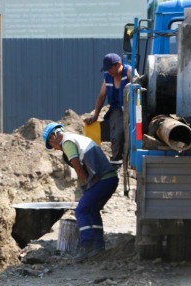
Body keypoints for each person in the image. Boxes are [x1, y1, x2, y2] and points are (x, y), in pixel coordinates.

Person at [43, 122, 119, 262]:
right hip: (109, 179)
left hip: (102, 180)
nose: (54, 149)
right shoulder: (74, 138)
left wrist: (85, 187)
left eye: (51, 144)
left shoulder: (67, 142)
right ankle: (98, 246)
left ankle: (86, 246)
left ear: (53, 136)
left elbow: (78, 168)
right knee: (92, 210)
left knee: (81, 211)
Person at [83, 53, 136, 161]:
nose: (108, 71)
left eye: (109, 68)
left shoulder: (130, 72)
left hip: (131, 109)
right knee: (117, 133)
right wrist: (95, 115)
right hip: (117, 110)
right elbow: (101, 96)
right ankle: (117, 160)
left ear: (118, 65)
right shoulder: (108, 77)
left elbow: (138, 88)